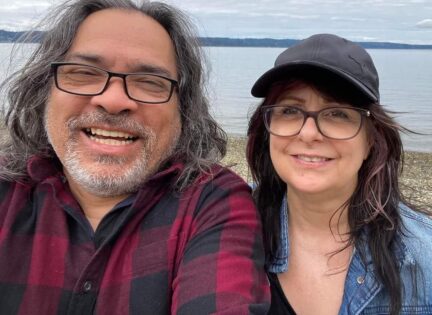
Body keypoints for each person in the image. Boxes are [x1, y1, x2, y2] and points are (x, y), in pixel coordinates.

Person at [0, 0, 270, 314]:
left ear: (183, 109)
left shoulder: (213, 202)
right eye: (84, 73)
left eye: (149, 82)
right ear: (44, 89)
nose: (113, 101)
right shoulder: (7, 192)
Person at [246, 33, 432, 315]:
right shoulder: (227, 226)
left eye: (337, 114)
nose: (308, 134)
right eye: (290, 110)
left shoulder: (422, 259)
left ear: (371, 139)